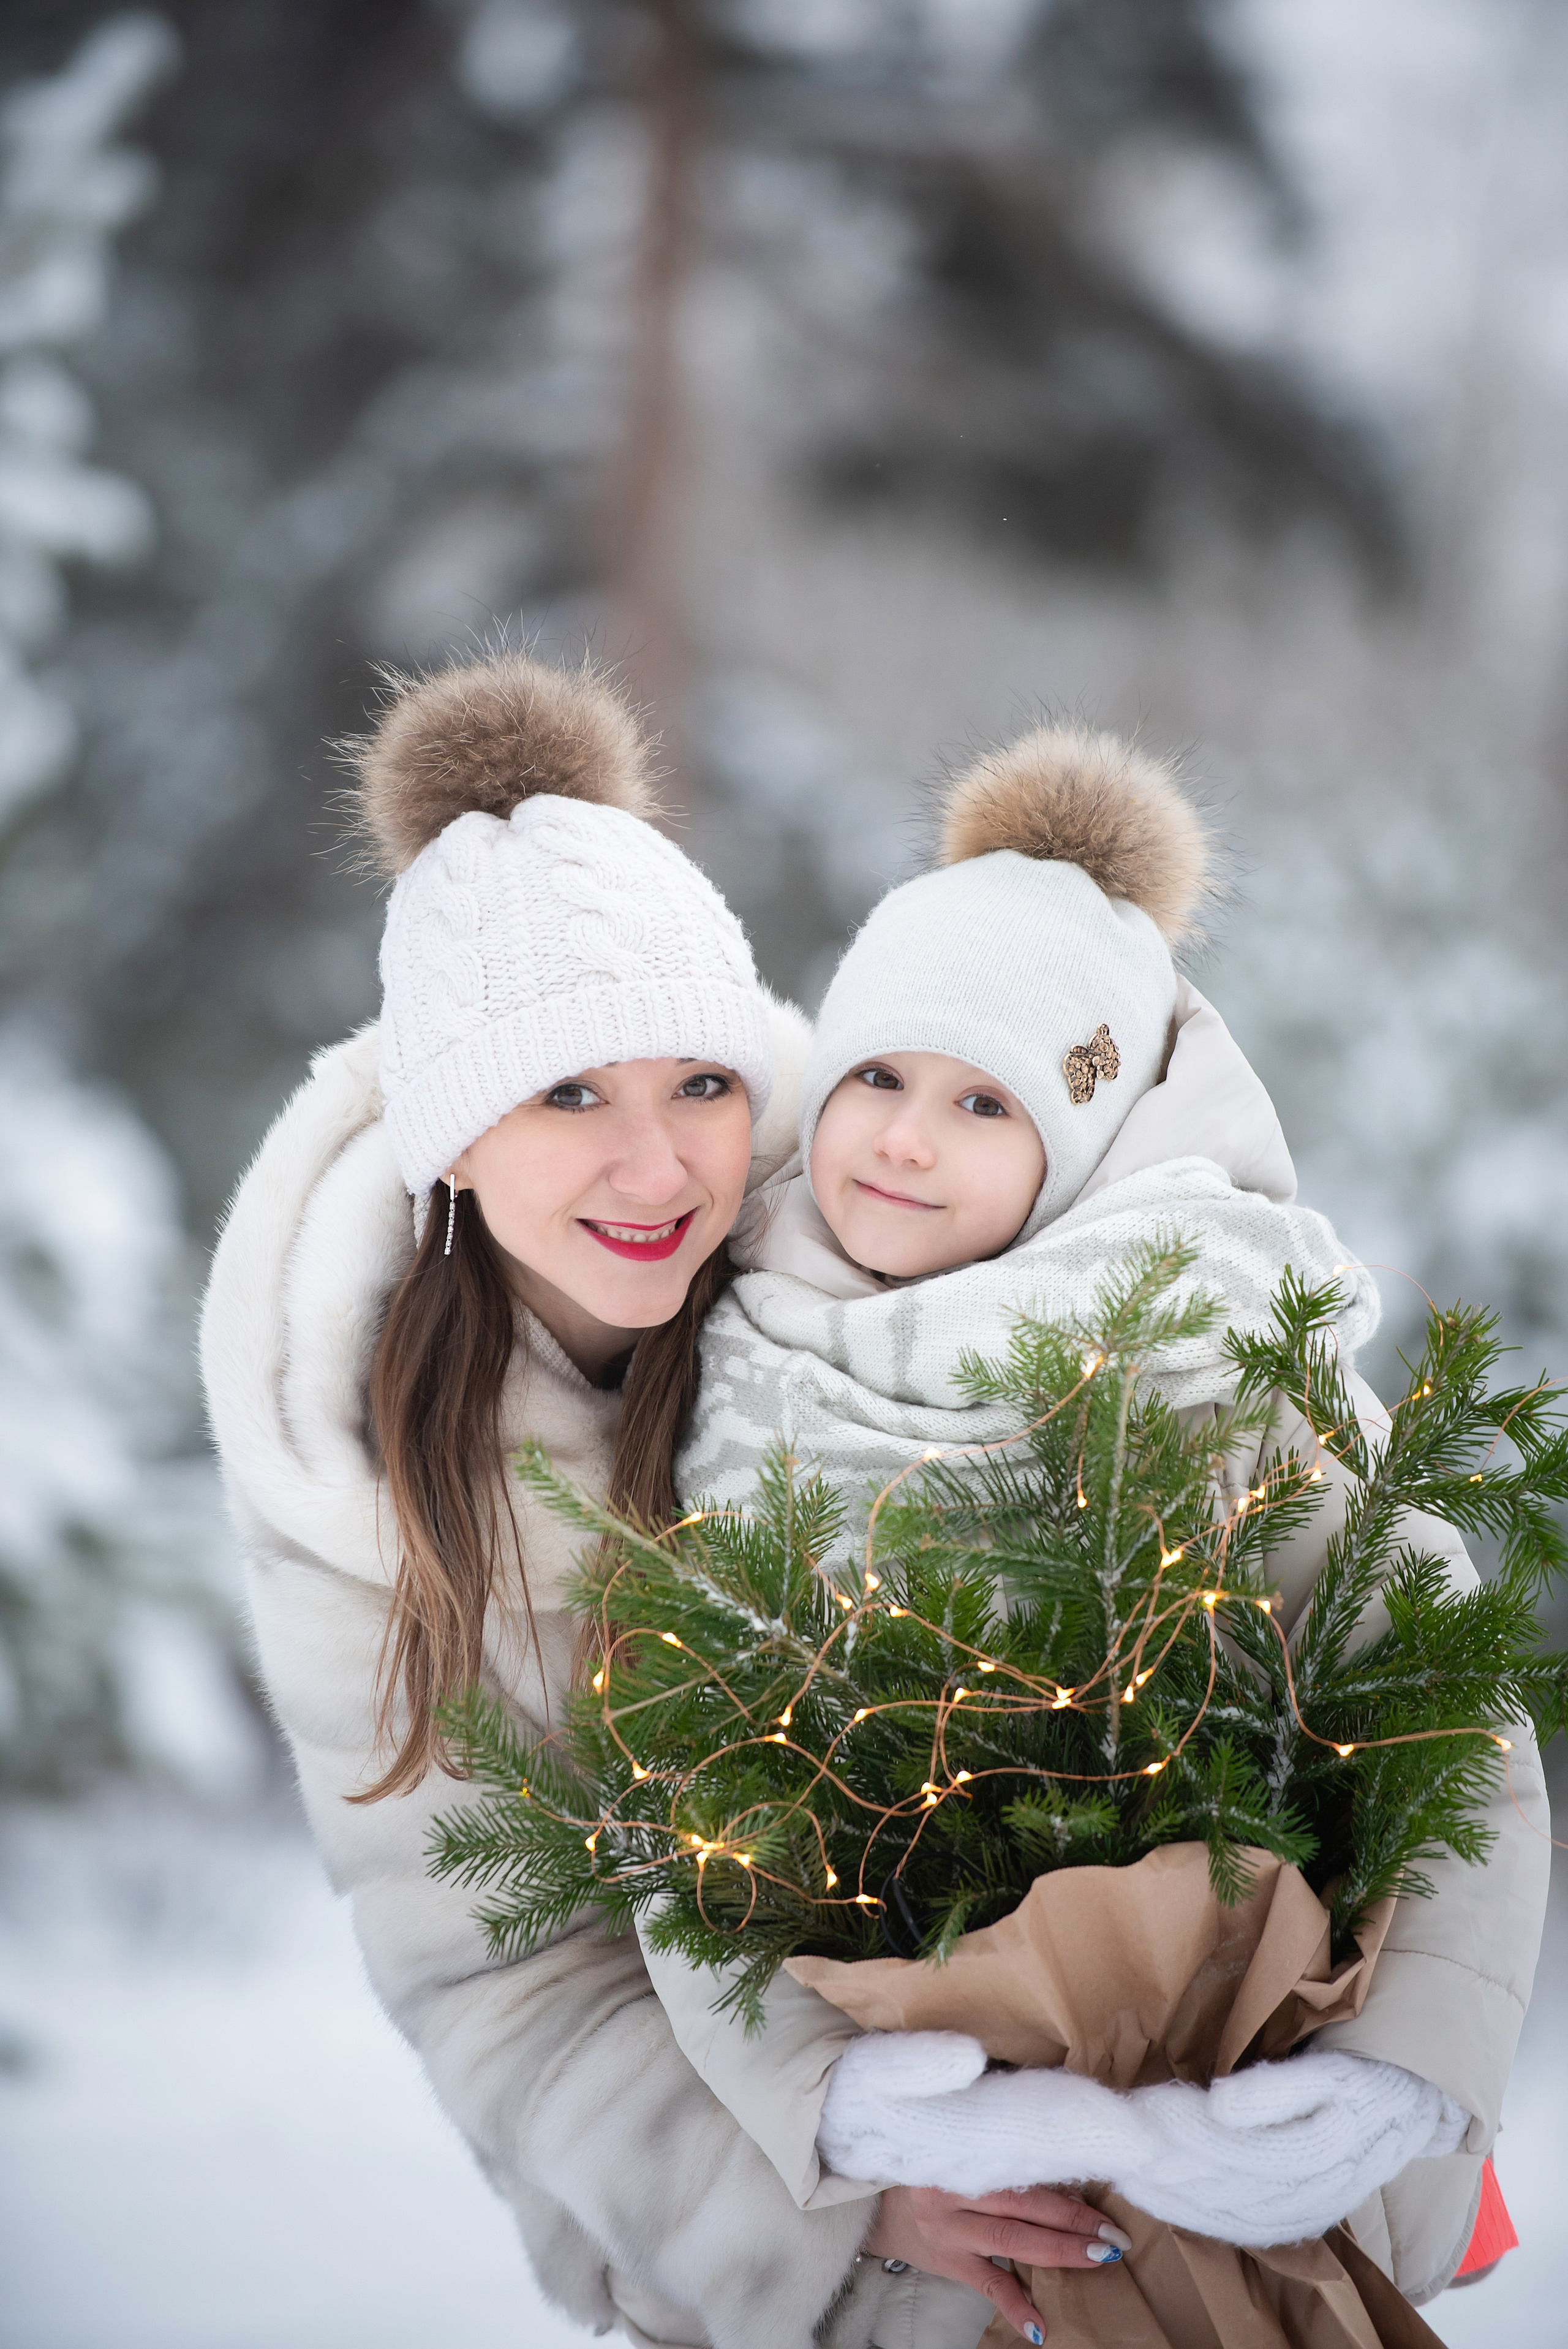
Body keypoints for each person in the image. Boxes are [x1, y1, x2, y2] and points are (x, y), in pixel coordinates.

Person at [199, 648, 1123, 2349]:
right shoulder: (362, 1475)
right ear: (453, 1134)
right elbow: (505, 1977)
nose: (657, 1166)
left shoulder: (866, 1245)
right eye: (569, 1093)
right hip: (798, 2246)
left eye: (698, 1082)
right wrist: (840, 2188)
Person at [641, 722, 1550, 2340]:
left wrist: (1395, 2076)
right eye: (878, 1078)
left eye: (983, 1101)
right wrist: (832, 2100)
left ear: (1083, 1145)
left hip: (1239, 2155)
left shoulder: (1212, 1374)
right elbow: (679, 1795)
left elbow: (1452, 1721)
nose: (904, 1138)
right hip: (918, 2230)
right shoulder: (739, 1372)